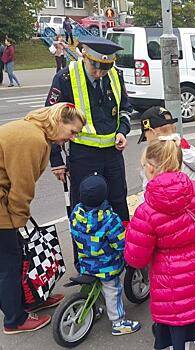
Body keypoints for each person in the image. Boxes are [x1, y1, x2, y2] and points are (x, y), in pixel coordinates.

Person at [0, 103, 85, 334]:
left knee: (17, 254)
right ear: (59, 121)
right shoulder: (33, 139)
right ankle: (15, 320)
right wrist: (19, 223)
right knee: (8, 262)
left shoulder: (30, 130)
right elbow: (22, 188)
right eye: (72, 132)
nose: (71, 138)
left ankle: (32, 299)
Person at [126, 139, 195, 350]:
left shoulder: (146, 209)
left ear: (149, 167)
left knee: (177, 331)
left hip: (171, 283)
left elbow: (136, 258)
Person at [46, 36, 133, 231]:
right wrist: (56, 160)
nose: (99, 72)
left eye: (105, 67)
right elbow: (51, 120)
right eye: (95, 66)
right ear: (84, 55)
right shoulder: (65, 78)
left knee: (118, 202)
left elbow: (126, 108)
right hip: (83, 155)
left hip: (113, 154)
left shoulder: (115, 75)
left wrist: (122, 131)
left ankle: (122, 251)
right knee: (84, 206)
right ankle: (85, 257)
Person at [70, 173, 141, 336]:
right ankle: (118, 322)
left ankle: (94, 308)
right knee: (112, 291)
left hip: (85, 262)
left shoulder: (76, 213)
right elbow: (120, 243)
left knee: (89, 287)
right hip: (106, 266)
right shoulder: (110, 219)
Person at [137, 106, 195, 196]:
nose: (147, 141)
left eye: (146, 137)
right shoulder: (187, 149)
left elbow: (150, 191)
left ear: (152, 131)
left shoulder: (155, 158)